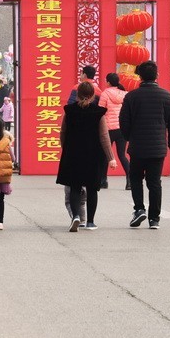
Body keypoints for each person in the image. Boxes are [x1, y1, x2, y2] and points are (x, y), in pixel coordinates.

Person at [120, 61, 170, 229]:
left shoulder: (131, 97)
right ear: (157, 75)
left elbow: (123, 122)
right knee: (154, 183)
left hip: (138, 146)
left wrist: (129, 137)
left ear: (140, 76)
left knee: (136, 178)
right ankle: (154, 219)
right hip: (158, 147)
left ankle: (139, 209)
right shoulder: (166, 96)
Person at [56, 82, 116, 231]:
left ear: (78, 95)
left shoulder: (69, 111)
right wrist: (111, 157)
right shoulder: (98, 113)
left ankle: (76, 216)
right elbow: (104, 136)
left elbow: (62, 133)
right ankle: (90, 222)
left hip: (73, 153)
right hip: (93, 155)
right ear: (93, 96)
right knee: (92, 188)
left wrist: (66, 148)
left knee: (75, 186)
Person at [98, 73, 131, 189]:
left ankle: (103, 181)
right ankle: (130, 181)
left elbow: (100, 111)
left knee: (104, 155)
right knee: (122, 155)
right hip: (121, 128)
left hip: (108, 129)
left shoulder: (105, 94)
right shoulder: (125, 94)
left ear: (108, 82)